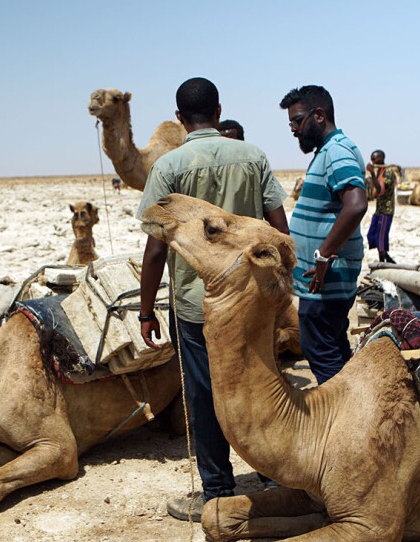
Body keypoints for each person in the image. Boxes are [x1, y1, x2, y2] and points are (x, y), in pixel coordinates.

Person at [136, 77, 289, 522]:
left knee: (203, 396)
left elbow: (156, 247)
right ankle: (274, 476)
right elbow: (278, 229)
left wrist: (146, 311)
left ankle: (218, 491)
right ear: (219, 112)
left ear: (180, 119)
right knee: (263, 382)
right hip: (252, 301)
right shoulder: (253, 156)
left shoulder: (169, 166)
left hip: (195, 302)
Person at [279, 85, 367, 384]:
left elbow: (355, 205)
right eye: (290, 123)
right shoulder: (327, 151)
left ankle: (343, 422)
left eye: (297, 121)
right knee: (333, 346)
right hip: (323, 276)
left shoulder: (336, 151)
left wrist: (323, 255)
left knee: (320, 349)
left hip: (326, 277)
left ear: (319, 115)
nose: (293, 129)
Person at [365, 150, 398, 263]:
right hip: (379, 210)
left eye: (375, 159)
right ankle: (386, 257)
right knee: (371, 234)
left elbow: (380, 190)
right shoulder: (380, 171)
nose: (373, 161)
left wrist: (372, 174)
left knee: (381, 237)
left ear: (381, 158)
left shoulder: (387, 172)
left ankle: (382, 261)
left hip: (386, 210)